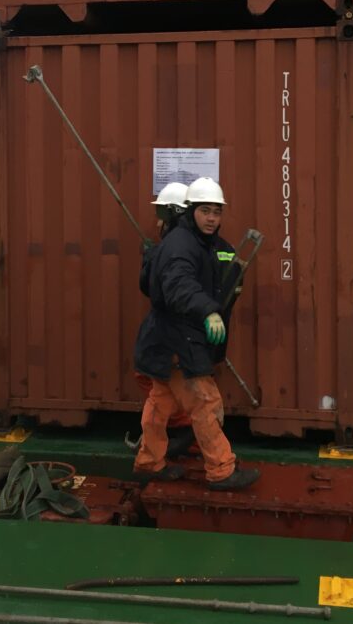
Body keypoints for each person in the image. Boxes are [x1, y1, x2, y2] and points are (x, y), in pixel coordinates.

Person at [133, 177, 259, 490]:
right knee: (205, 402)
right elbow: (179, 286)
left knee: (160, 401)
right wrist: (209, 311)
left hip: (164, 338)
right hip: (179, 339)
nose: (212, 218)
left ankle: (149, 462)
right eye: (205, 211)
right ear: (191, 211)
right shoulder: (182, 245)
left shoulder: (198, 242)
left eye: (217, 212)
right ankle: (222, 470)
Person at [133, 182, 194, 458]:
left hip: (168, 334)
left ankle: (165, 444)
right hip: (176, 335)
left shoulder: (172, 250)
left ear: (173, 214)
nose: (157, 222)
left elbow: (154, 291)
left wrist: (151, 262)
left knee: (156, 384)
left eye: (161, 215)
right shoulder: (192, 245)